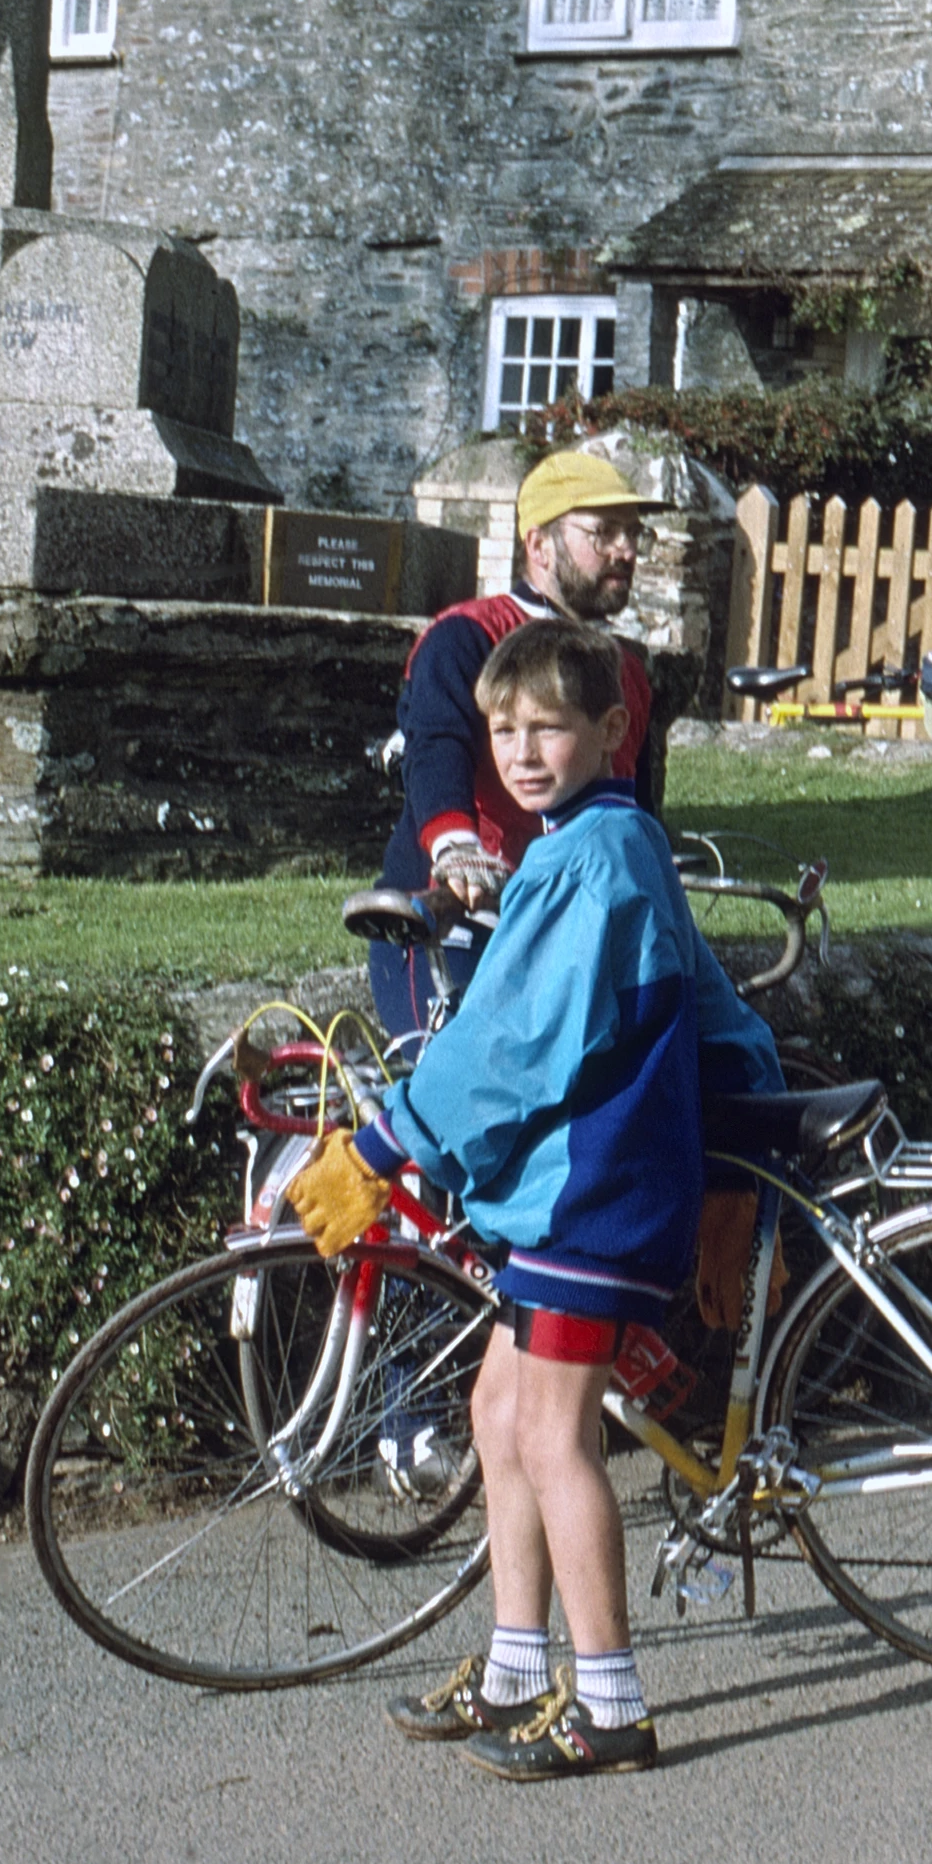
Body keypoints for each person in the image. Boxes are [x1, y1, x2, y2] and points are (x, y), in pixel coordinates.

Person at [282, 619, 783, 1780]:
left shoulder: (596, 857)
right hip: (563, 1195)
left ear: (611, 731)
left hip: (592, 1190)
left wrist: (388, 1142)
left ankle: (609, 1697)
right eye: (502, 729)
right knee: (496, 1416)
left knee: (555, 1439)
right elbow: (710, 1009)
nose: (521, 750)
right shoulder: (588, 845)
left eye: (549, 727)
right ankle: (515, 1668)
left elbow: (515, 1044)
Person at [372, 448, 663, 1038]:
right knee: (460, 1101)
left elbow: (634, 802)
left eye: (634, 533)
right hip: (453, 918)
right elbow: (435, 747)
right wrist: (456, 849)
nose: (626, 551)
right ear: (539, 545)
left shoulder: (625, 668)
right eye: (603, 532)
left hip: (565, 922)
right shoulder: (467, 635)